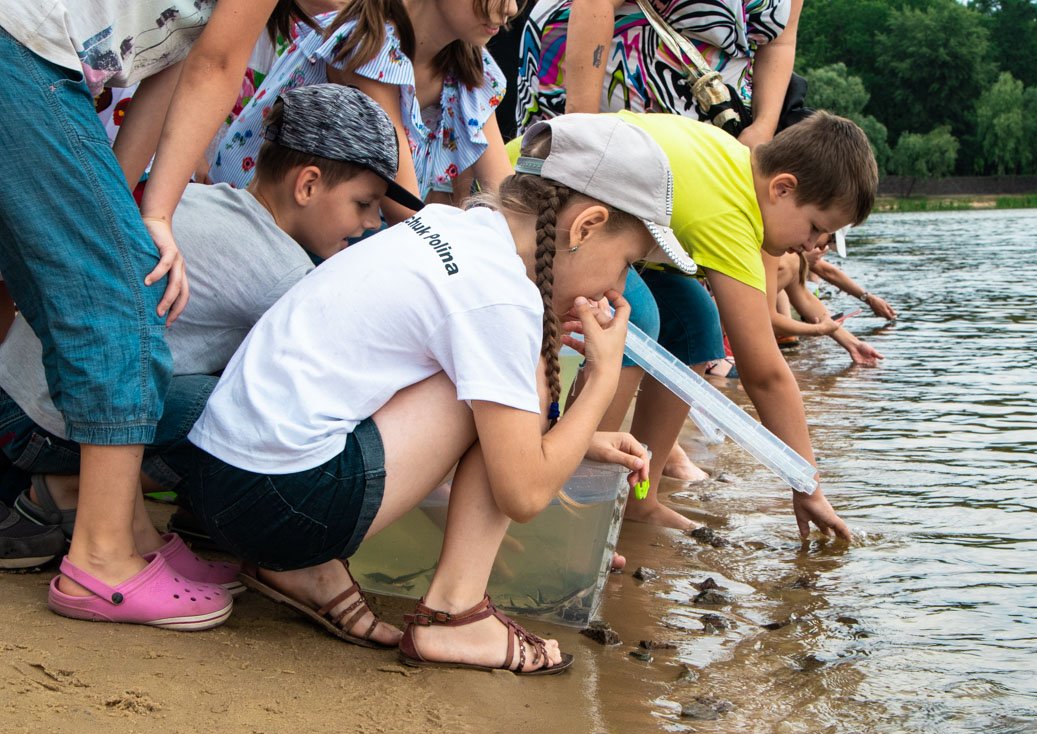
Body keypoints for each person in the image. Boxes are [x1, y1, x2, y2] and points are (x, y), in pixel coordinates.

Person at [160, 113, 682, 671]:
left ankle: (299, 565)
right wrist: (602, 379)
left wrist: (572, 439)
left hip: (217, 486)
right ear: (585, 226)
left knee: (496, 382)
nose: (620, 286)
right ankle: (457, 616)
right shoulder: (502, 296)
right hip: (285, 508)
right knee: (510, 374)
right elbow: (524, 492)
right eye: (627, 263)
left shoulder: (449, 227)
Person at [0, 0, 317, 630]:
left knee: (109, 276)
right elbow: (217, 64)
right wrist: (147, 225)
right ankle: (101, 559)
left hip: (39, 63)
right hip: (27, 55)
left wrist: (130, 219)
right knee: (124, 295)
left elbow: (166, 73)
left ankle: (131, 536)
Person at [0, 85, 395, 585]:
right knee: (244, 406)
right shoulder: (279, 269)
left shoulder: (204, 200)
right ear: (309, 185)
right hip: (47, 422)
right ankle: (70, 489)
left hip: (18, 396)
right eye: (364, 203)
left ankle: (83, 492)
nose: (369, 224)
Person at [595, 110, 877, 538]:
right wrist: (807, 486)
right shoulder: (733, 217)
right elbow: (765, 374)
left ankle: (639, 500)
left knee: (695, 322)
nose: (813, 245)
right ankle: (582, 490)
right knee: (637, 319)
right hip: (542, 213)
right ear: (782, 188)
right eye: (817, 227)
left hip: (601, 222)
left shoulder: (736, 163)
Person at [211, 0, 515, 219]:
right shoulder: (367, 46)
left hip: (335, 240)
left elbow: (506, 198)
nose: (511, 8)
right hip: (256, 226)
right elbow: (404, 207)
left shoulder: (471, 70)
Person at [516, 0, 801, 148]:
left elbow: (781, 40)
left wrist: (763, 127)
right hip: (598, 80)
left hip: (719, 117)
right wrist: (582, 125)